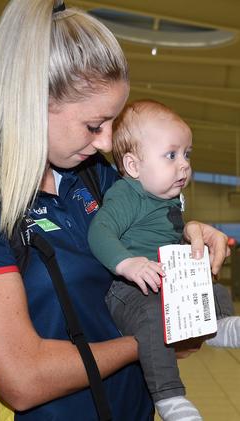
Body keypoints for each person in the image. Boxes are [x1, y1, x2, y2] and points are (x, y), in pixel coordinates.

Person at [0, 1, 229, 420]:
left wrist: (190, 230)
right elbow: (22, 379)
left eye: (113, 122)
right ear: (32, 101)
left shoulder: (93, 176)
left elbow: (144, 233)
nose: (107, 143)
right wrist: (151, 340)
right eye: (93, 125)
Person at [88, 99, 240, 421]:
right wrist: (128, 264)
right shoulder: (127, 195)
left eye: (187, 154)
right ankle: (170, 397)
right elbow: (100, 232)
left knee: (216, 292)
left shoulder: (166, 199)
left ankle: (219, 326)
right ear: (133, 166)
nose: (184, 165)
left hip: (165, 282)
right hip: (129, 290)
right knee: (153, 322)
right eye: (171, 155)